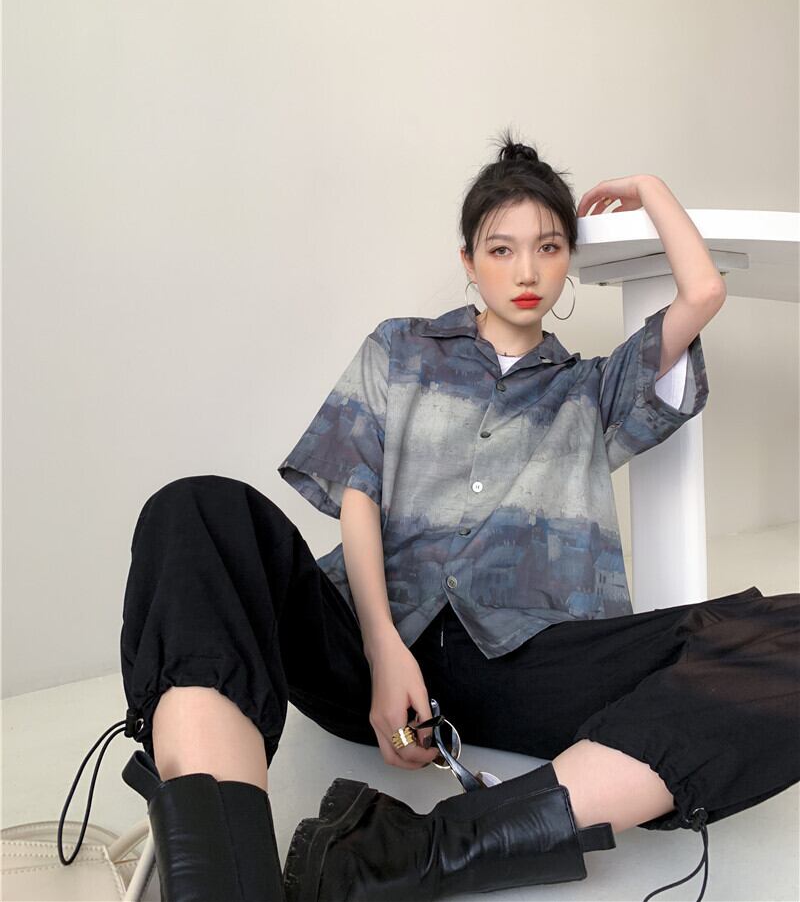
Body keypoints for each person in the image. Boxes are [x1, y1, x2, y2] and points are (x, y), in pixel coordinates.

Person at [59, 130, 799, 902]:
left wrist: (648, 187)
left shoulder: (594, 391)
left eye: (548, 248)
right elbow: (359, 492)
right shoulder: (400, 349)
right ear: (469, 262)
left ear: (568, 263)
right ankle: (224, 882)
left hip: (533, 665)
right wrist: (382, 648)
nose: (526, 271)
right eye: (502, 249)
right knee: (196, 508)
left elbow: (702, 294)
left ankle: (411, 850)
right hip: (365, 653)